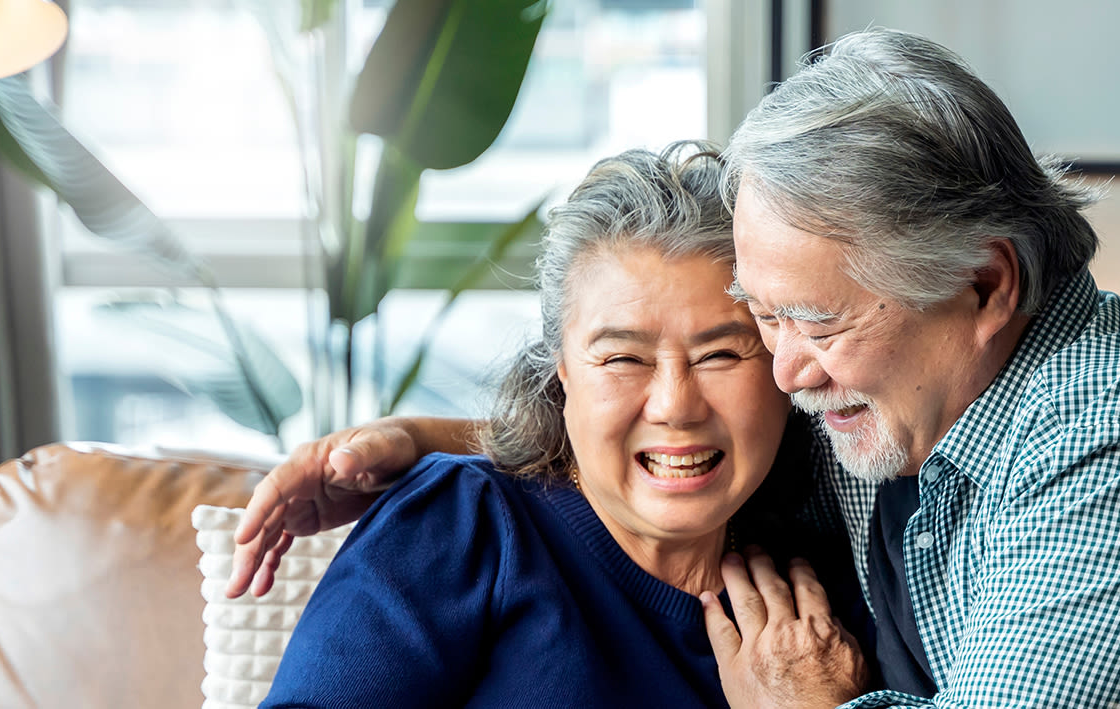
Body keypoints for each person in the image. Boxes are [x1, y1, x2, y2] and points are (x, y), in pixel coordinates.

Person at [236, 29, 1120, 709]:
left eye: (803, 323)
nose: (778, 372)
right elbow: (658, 433)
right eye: (761, 321)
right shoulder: (893, 410)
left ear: (983, 287)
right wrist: (430, 442)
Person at [257, 142, 868, 708]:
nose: (676, 407)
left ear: (784, 370)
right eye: (623, 359)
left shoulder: (827, 612)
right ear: (561, 373)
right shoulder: (464, 525)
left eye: (721, 355)